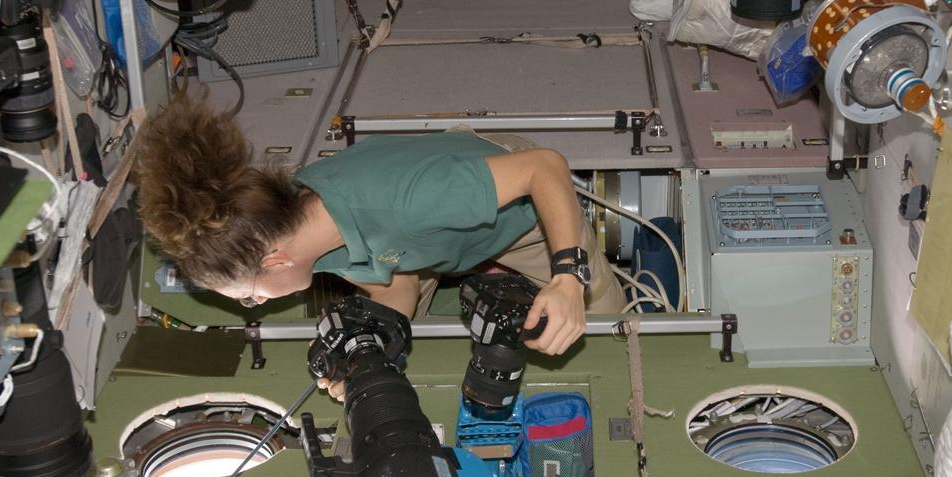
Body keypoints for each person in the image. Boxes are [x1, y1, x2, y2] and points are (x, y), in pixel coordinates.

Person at [134, 94, 624, 395]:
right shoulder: (306, 228)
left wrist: (567, 278)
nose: (254, 305)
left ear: (276, 260)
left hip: (517, 208)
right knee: (411, 360)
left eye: (249, 295)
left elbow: (547, 168)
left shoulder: (409, 203)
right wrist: (366, 354)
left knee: (599, 327)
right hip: (423, 236)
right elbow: (394, 280)